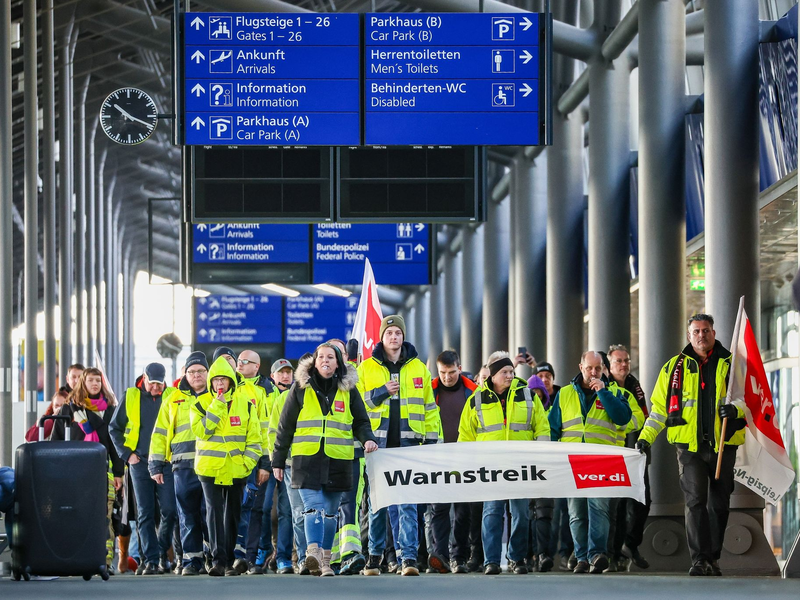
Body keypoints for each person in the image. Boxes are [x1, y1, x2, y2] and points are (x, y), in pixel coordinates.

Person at [636, 314, 746, 577]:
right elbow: (659, 410)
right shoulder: (673, 368)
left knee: (719, 504)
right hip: (689, 448)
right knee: (695, 500)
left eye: (705, 330)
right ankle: (699, 559)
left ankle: (714, 557)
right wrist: (645, 437)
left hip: (723, 445)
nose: (701, 335)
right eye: (696, 331)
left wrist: (735, 409)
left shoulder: (731, 364)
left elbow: (747, 399)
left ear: (714, 332)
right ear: (689, 336)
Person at [272, 344, 378, 577]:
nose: (325, 360)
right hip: (306, 459)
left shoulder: (349, 390)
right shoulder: (300, 388)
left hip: (338, 459)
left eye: (330, 357)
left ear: (338, 363)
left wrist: (367, 439)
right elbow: (285, 427)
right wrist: (278, 461)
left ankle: (327, 562)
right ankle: (313, 554)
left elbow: (361, 421)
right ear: (314, 362)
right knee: (312, 508)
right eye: (321, 357)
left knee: (330, 513)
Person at [358, 315, 441, 577]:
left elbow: (430, 408)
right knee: (377, 504)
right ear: (381, 337)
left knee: (407, 503)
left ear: (403, 336)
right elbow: (357, 405)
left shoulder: (419, 368)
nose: (394, 337)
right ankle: (374, 557)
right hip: (376, 446)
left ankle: (408, 559)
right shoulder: (366, 369)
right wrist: (382, 391)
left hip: (409, 445)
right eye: (389, 333)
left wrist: (431, 442)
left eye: (398, 333)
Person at [458, 351, 550, 575]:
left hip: (521, 465)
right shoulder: (476, 400)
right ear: (492, 375)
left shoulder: (528, 395)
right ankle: (491, 560)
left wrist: (542, 456)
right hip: (489, 467)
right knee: (491, 512)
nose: (510, 376)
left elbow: (542, 428)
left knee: (520, 514)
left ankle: (516, 559)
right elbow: (466, 436)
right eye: (505, 372)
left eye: (511, 371)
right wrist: (466, 466)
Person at [548, 351, 632, 574]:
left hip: (601, 461)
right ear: (581, 367)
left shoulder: (614, 391)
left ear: (603, 368)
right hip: (572, 461)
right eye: (589, 368)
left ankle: (597, 554)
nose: (593, 372)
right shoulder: (564, 394)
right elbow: (553, 428)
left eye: (597, 368)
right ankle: (582, 557)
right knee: (576, 512)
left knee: (599, 509)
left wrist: (603, 393)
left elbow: (623, 417)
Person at [190, 356, 268, 577]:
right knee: (213, 514)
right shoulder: (199, 404)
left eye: (224, 380)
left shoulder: (246, 405)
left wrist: (247, 464)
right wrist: (217, 405)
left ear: (232, 381)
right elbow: (202, 431)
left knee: (232, 515)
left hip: (237, 469)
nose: (220, 384)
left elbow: (256, 440)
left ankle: (232, 560)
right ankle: (218, 561)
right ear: (211, 382)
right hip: (209, 468)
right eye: (216, 380)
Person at [52, 367, 124, 571]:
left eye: (98, 381)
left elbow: (115, 444)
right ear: (82, 383)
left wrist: (119, 473)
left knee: (105, 517)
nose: (95, 384)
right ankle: (77, 559)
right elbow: (55, 441)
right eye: (91, 380)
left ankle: (105, 561)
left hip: (103, 473)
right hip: (74, 474)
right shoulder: (69, 409)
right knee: (76, 516)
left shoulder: (109, 409)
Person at [110, 362, 177, 575]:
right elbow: (115, 428)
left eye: (160, 384)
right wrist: (127, 455)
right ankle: (150, 560)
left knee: (170, 511)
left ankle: (158, 552)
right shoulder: (130, 396)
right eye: (153, 384)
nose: (156, 388)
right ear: (144, 379)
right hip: (140, 463)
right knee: (144, 513)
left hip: (166, 462)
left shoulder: (173, 395)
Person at [149, 351, 209, 576]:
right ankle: (192, 561)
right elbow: (160, 433)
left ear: (207, 372)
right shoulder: (173, 398)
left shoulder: (217, 395)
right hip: (182, 466)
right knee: (187, 514)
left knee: (208, 513)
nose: (196, 375)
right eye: (192, 372)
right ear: (185, 373)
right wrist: (155, 465)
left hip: (212, 465)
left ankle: (211, 557)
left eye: (200, 371)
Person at [234, 349, 292, 575]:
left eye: (289, 373)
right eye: (281, 373)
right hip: (266, 461)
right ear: (273, 375)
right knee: (264, 508)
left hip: (288, 460)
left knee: (287, 511)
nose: (285, 377)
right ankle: (263, 549)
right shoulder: (263, 392)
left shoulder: (293, 394)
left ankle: (284, 557)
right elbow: (261, 431)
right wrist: (266, 464)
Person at [428, 350, 477, 574]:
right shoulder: (430, 390)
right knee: (439, 509)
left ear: (460, 367)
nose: (447, 377)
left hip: (465, 457)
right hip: (438, 458)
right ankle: (441, 555)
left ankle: (459, 557)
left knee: (462, 511)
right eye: (443, 373)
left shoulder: (474, 392)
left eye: (452, 372)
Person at [325, 339, 368, 575]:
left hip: (351, 455)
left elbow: (362, 418)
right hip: (323, 458)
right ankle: (329, 557)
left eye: (339, 353)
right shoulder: (312, 385)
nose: (334, 358)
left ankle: (350, 554)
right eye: (330, 354)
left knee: (349, 505)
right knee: (327, 507)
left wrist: (367, 438)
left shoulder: (352, 385)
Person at [606, 344, 651, 571]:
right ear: (609, 364)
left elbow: (644, 417)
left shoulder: (635, 385)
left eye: (626, 361)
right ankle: (613, 554)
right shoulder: (606, 387)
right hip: (615, 453)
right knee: (618, 505)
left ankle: (630, 545)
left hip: (637, 452)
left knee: (643, 501)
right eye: (618, 361)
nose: (623, 365)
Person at [267, 355, 311, 575]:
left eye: (288, 371)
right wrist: (275, 460)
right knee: (290, 512)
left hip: (313, 463)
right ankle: (292, 557)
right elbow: (275, 432)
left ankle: (307, 557)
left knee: (307, 512)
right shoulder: (281, 398)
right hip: (287, 464)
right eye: (281, 372)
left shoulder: (320, 394)